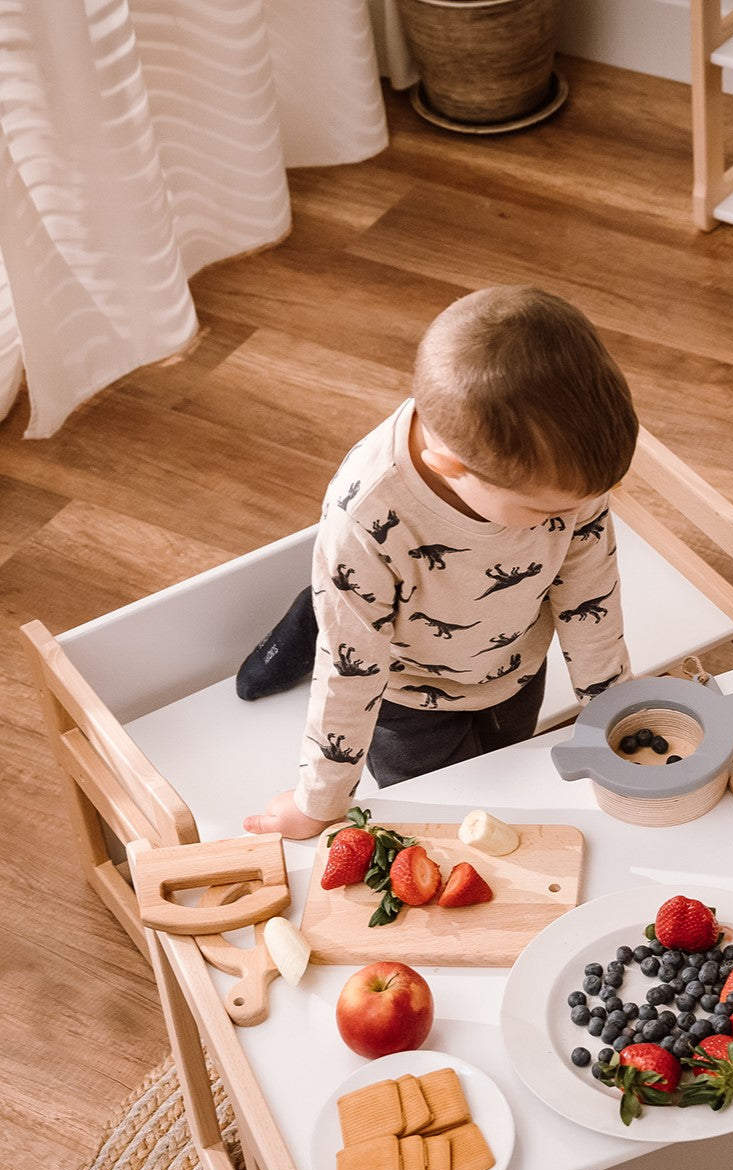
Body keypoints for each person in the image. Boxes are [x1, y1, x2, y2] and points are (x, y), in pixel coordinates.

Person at [243, 285, 638, 841]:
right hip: (408, 693)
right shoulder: (365, 513)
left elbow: (588, 585)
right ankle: (308, 618)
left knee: (503, 777)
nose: (575, 516)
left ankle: (326, 606)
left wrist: (612, 707)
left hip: (514, 660)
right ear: (450, 467)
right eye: (547, 511)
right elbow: (348, 673)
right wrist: (318, 802)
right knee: (445, 822)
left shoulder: (565, 473)